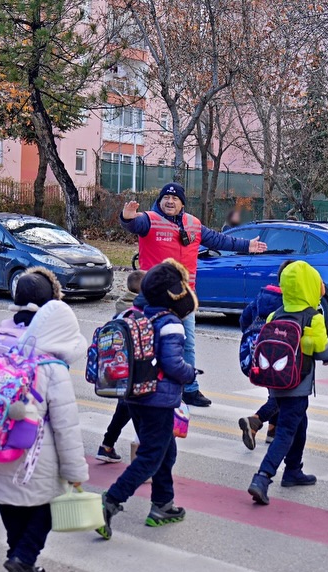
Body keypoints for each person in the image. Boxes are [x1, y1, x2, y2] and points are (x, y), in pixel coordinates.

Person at [0, 301, 89, 572]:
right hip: (32, 456)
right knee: (50, 503)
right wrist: (75, 472)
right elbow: (66, 427)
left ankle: (17, 571)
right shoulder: (53, 369)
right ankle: (24, 557)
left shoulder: (7, 357)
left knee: (11, 506)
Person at [120, 182, 267, 407]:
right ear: (159, 201)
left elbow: (220, 240)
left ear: (182, 204)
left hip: (183, 298)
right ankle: (145, 382)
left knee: (186, 342)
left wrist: (248, 246)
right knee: (149, 342)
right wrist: (127, 217)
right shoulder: (148, 219)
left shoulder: (193, 224)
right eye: (166, 198)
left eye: (175, 198)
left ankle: (189, 388)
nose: (170, 202)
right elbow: (133, 224)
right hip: (154, 297)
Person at [97, 259, 199, 539]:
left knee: (166, 451)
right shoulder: (170, 324)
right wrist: (191, 374)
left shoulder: (131, 314)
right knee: (151, 456)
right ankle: (111, 501)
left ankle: (162, 505)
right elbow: (174, 364)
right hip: (159, 401)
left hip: (133, 397)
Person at [247, 262, 328, 505]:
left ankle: (293, 470)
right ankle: (262, 477)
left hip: (275, 382)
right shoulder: (313, 318)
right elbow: (324, 352)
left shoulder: (276, 314)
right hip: (298, 385)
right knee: (286, 432)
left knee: (300, 425)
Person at [236, 262, 292, 450]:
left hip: (255, 354)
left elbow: (244, 319)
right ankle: (255, 421)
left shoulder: (263, 295)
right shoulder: (289, 300)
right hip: (276, 356)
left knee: (274, 391)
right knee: (281, 396)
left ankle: (272, 432)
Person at [95, 269, 146, 464]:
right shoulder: (139, 311)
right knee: (136, 410)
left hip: (117, 368)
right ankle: (144, 456)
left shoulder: (121, 308)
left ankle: (107, 445)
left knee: (125, 408)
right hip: (134, 370)